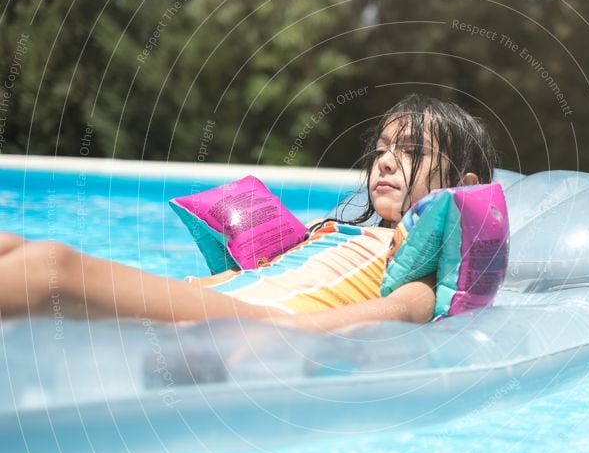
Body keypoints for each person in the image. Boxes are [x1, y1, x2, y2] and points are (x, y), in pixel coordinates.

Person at [0, 94, 497, 332]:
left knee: (49, 266)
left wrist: (263, 339)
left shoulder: (416, 277)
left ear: (463, 188)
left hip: (251, 322)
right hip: (204, 298)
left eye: (411, 151)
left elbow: (380, 321)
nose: (386, 160)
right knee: (12, 246)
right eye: (383, 147)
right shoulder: (330, 234)